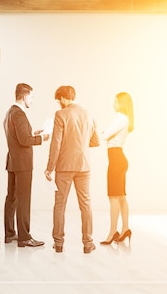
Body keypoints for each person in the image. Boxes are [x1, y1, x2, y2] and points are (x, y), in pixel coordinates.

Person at [44, 85, 99, 254]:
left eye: (58, 100)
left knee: (60, 205)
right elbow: (95, 141)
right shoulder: (88, 114)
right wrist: (79, 144)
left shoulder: (60, 114)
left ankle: (59, 243)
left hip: (64, 167)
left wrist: (49, 168)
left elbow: (56, 144)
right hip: (84, 166)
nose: (58, 103)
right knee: (86, 204)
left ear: (62, 98)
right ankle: (88, 244)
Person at [3, 83, 48, 247]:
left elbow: (18, 137)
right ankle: (24, 237)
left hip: (13, 161)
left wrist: (32, 133)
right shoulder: (20, 114)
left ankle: (9, 234)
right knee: (23, 200)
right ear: (24, 96)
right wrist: (42, 138)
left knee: (12, 198)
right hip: (22, 163)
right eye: (31, 97)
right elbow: (24, 141)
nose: (32, 100)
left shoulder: (9, 113)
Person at [99, 92, 134, 245]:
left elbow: (105, 135)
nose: (113, 104)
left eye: (115, 102)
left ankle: (113, 232)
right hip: (118, 159)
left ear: (122, 103)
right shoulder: (123, 119)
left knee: (113, 197)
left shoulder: (121, 119)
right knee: (120, 197)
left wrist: (103, 132)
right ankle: (125, 228)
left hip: (116, 160)